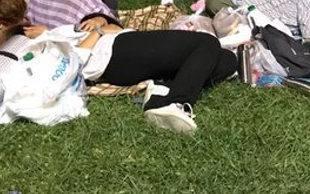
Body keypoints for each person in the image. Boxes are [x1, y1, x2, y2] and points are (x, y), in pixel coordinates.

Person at [25, 14, 237, 133]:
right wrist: (98, 31)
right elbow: (75, 59)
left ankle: (162, 89)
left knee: (227, 60)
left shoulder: (59, 31)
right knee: (206, 42)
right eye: (28, 26)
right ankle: (173, 102)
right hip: (116, 53)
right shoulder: (41, 44)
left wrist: (100, 22)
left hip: (128, 55)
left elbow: (108, 26)